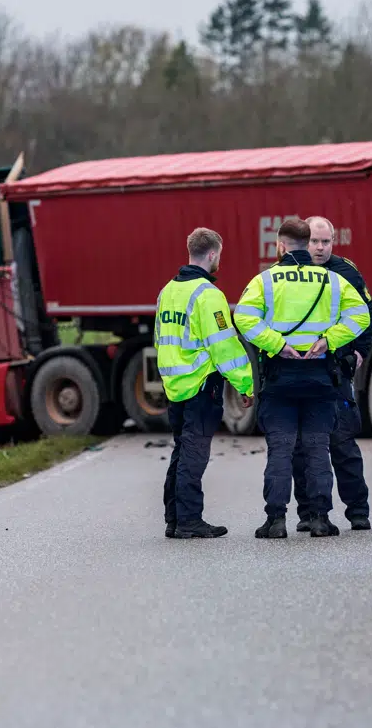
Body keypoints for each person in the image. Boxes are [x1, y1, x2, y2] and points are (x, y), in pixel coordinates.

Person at [234, 217, 372, 539]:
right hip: (320, 377)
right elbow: (362, 315)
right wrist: (330, 340)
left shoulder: (265, 281)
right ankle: (321, 518)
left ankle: (277, 520)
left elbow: (243, 316)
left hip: (281, 378)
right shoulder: (332, 281)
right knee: (317, 448)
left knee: (281, 450)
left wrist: (276, 344)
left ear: (280, 245)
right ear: (308, 242)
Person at [157, 227, 255, 539]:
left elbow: (160, 338)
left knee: (181, 451)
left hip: (175, 386)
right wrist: (245, 384)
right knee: (194, 455)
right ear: (212, 254)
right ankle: (189, 521)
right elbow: (224, 345)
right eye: (219, 256)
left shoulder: (167, 291)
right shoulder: (209, 296)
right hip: (200, 385)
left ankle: (174, 518)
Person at [288, 216, 372, 532]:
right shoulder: (291, 274)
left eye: (326, 241)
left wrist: (359, 353)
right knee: (302, 446)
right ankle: (308, 512)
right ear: (304, 241)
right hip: (301, 373)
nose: (321, 248)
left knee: (342, 442)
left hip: (336, 372)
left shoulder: (346, 273)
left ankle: (358, 511)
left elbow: (367, 317)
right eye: (314, 241)